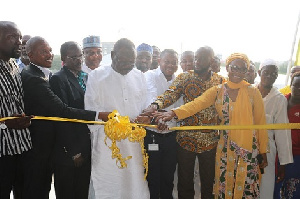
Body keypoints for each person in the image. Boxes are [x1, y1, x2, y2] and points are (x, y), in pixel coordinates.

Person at [154, 53, 269, 198]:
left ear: (246, 72)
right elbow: (196, 104)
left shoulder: (253, 92)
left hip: (248, 149)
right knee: (224, 184)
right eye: (234, 68)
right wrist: (173, 113)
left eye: (242, 69)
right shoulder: (218, 90)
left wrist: (263, 150)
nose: (238, 73)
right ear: (227, 68)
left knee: (244, 186)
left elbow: (260, 122)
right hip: (225, 147)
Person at [21, 36, 105, 199]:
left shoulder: (82, 77)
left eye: (49, 50)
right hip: (60, 151)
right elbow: (62, 112)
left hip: (80, 146)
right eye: (43, 52)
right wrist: (73, 151)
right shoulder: (51, 78)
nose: (49, 55)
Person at [143, 46, 224, 198]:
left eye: (201, 58)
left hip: (210, 141)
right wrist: (155, 105)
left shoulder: (220, 82)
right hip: (186, 140)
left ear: (211, 61)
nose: (196, 62)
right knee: (185, 183)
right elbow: (170, 94)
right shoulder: (185, 77)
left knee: (209, 183)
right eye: (195, 58)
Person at [85, 38, 150, 199]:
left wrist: (146, 117)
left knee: (135, 184)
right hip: (107, 144)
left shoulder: (139, 77)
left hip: (134, 144)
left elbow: (145, 105)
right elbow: (91, 109)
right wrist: (110, 122)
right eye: (123, 61)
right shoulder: (97, 76)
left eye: (131, 62)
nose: (128, 65)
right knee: (109, 186)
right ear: (113, 55)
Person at [49, 41, 91, 199]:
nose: (79, 60)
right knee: (67, 192)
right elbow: (62, 116)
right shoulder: (58, 79)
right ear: (64, 59)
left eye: (80, 56)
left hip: (86, 146)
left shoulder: (85, 78)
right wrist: (74, 152)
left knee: (82, 191)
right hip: (69, 152)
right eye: (74, 57)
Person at [0, 21, 32, 199]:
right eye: (12, 37)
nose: (19, 42)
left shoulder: (14, 66)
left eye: (20, 37)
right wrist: (5, 124)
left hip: (22, 147)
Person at [142, 49, 179, 199]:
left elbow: (180, 107)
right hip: (152, 135)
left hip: (171, 136)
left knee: (168, 176)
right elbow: (151, 99)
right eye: (167, 62)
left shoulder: (179, 80)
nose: (171, 65)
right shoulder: (148, 76)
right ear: (159, 62)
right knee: (152, 176)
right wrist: (160, 119)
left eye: (174, 62)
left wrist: (166, 119)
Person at [256, 59, 293, 198]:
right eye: (266, 73)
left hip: (268, 151)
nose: (270, 76)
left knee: (265, 187)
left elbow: (282, 132)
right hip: (245, 148)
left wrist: (283, 164)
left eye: (274, 74)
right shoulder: (248, 92)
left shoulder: (279, 99)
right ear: (259, 73)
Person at [274, 71, 300, 199]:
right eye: (296, 85)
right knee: (275, 188)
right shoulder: (281, 100)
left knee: (293, 190)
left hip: (296, 156)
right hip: (278, 153)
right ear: (291, 85)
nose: (299, 89)